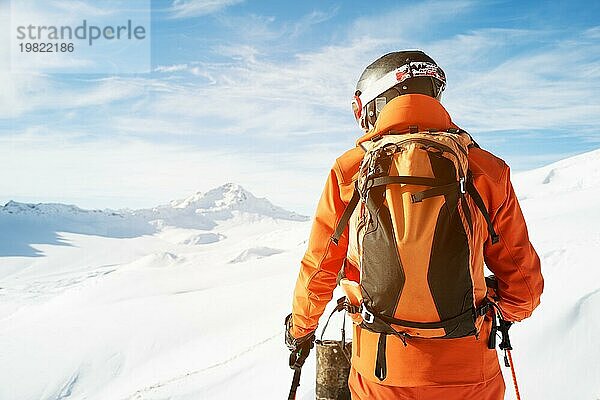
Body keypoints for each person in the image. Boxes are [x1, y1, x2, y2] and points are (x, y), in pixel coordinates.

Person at [285, 50, 543, 400]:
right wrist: (491, 305)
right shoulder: (485, 170)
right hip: (469, 372)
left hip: (380, 372)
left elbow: (319, 268)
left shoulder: (349, 172)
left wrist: (300, 331)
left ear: (375, 105)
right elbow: (524, 290)